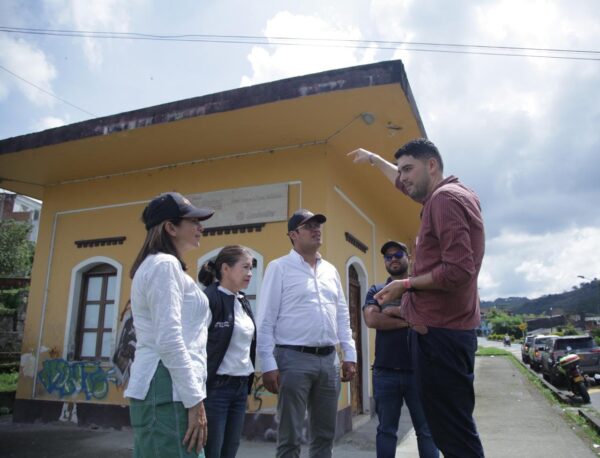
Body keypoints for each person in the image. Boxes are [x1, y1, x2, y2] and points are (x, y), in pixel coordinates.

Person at [348, 139, 485, 458]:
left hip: (442, 338)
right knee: (451, 431)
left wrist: (405, 285)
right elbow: (401, 183)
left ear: (432, 166)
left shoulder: (445, 200)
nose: (403, 176)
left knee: (454, 435)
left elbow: (459, 270)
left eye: (409, 169)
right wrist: (373, 159)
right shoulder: (453, 194)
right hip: (446, 334)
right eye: (401, 170)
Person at [256, 209, 357, 458]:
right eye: (308, 226)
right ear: (293, 234)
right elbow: (266, 320)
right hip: (293, 359)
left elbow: (342, 315)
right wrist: (267, 363)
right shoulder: (278, 268)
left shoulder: (330, 271)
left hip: (329, 361)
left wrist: (350, 353)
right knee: (290, 436)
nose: (316, 229)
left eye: (318, 225)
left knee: (324, 435)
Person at [125, 191, 214, 458]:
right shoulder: (164, 265)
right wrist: (195, 399)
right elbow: (169, 339)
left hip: (170, 387)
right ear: (170, 227)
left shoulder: (167, 267)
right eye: (193, 221)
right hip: (166, 388)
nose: (201, 227)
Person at [364, 240, 438, 458]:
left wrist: (392, 311)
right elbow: (371, 319)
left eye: (398, 255)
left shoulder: (421, 289)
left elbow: (428, 323)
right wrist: (410, 321)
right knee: (386, 431)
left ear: (409, 258)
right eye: (388, 256)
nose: (393, 259)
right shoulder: (376, 290)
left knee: (426, 431)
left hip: (420, 372)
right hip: (385, 372)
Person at [197, 245, 257, 458]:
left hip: (239, 388)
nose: (250, 273)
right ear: (225, 268)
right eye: (245, 267)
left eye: (252, 268)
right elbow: (195, 348)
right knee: (212, 450)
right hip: (215, 390)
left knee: (230, 450)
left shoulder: (243, 301)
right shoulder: (209, 299)